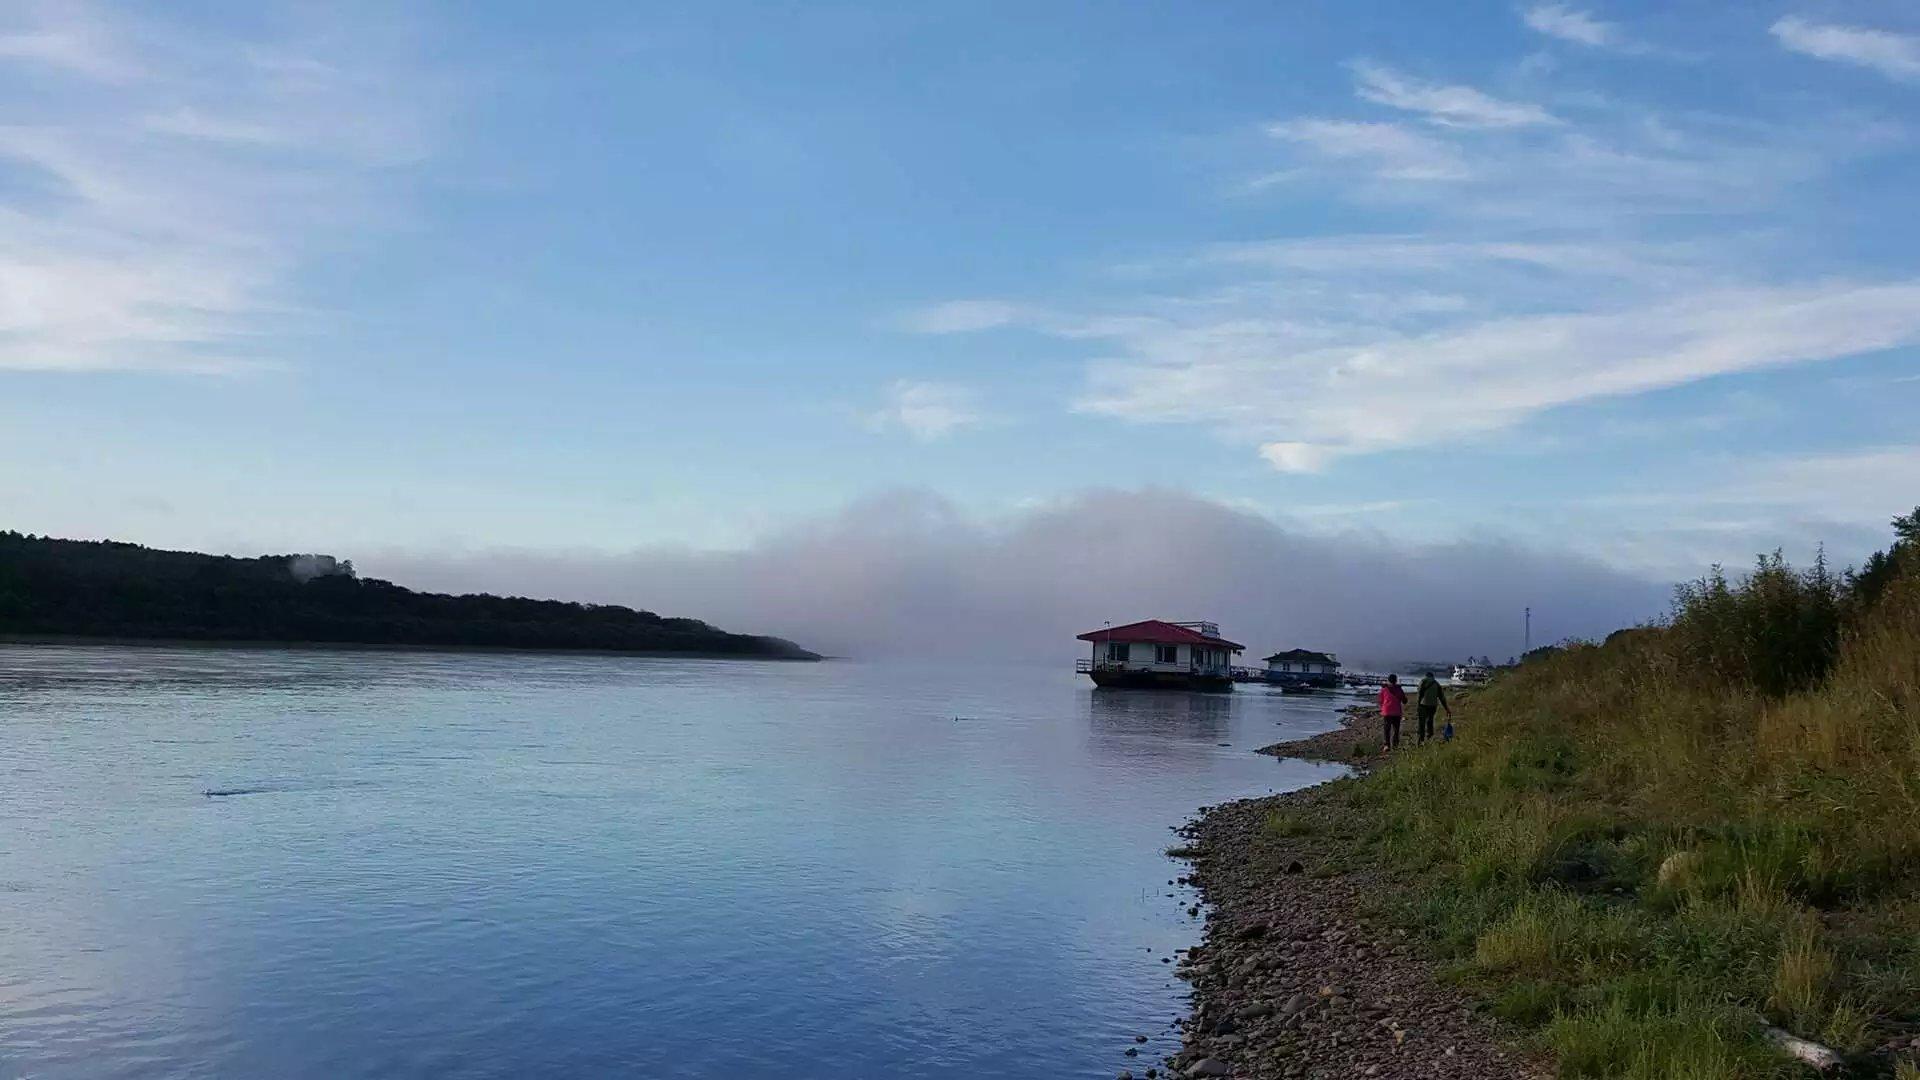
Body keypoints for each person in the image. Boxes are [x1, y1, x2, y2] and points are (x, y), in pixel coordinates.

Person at [1416, 671, 1453, 746]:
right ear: (1433, 677)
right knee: (1430, 720)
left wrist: (1418, 704)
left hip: (1423, 705)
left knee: (1422, 723)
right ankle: (1430, 736)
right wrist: (1447, 709)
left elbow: (1419, 694)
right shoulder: (1436, 683)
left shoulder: (1423, 681)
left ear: (1426, 676)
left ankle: (1421, 740)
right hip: (1433, 705)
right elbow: (1442, 698)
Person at [1377, 674, 1407, 753]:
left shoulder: (1384, 689)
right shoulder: (1399, 689)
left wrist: (1383, 707)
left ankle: (1387, 745)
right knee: (1396, 730)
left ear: (1388, 680)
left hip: (1387, 711)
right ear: (1396, 681)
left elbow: (1380, 700)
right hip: (1397, 712)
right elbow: (1404, 701)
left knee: (1387, 729)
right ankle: (1395, 746)